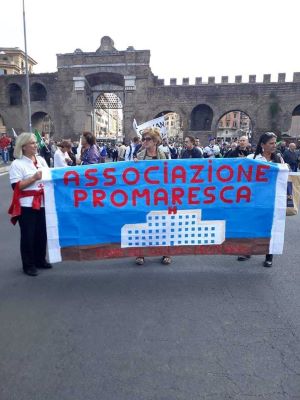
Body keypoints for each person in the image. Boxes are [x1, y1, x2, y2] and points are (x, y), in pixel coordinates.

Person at [8, 132, 52, 277]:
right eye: (32, 143)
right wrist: (33, 178)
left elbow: (49, 176)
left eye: (35, 142)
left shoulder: (41, 160)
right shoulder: (17, 164)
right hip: (27, 205)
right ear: (24, 146)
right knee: (28, 235)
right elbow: (16, 186)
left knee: (42, 233)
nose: (36, 145)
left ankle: (40, 259)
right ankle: (28, 264)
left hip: (43, 202)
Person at [246, 132, 284, 268]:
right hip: (254, 199)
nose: (274, 146)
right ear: (263, 145)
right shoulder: (253, 158)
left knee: (271, 227)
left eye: (275, 143)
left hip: (272, 200)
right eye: (271, 143)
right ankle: (247, 251)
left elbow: (284, 178)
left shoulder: (279, 159)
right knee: (252, 226)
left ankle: (269, 256)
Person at [135, 127, 170, 266]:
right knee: (142, 224)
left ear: (155, 141)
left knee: (163, 224)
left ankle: (166, 252)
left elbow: (170, 174)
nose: (144, 141)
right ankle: (140, 253)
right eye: (143, 138)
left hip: (161, 195)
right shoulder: (139, 155)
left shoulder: (164, 155)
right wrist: (135, 165)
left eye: (147, 138)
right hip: (144, 196)